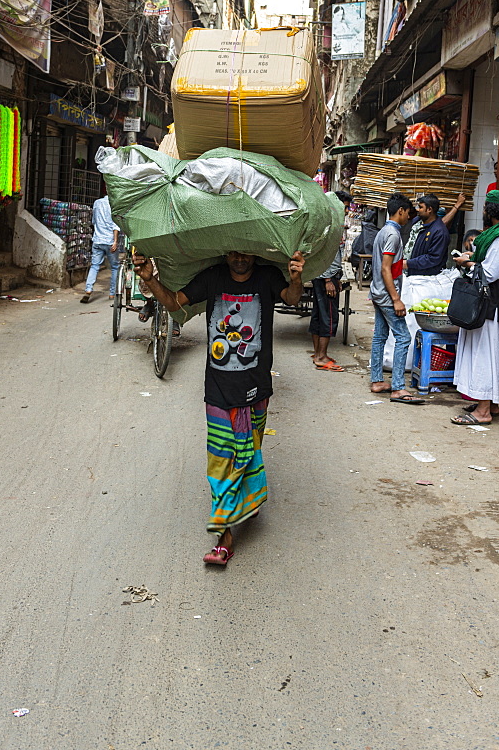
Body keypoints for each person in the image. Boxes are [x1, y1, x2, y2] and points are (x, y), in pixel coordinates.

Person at [132, 248, 306, 566]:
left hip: (256, 391)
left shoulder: (267, 277)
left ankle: (247, 501)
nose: (241, 258)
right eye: (234, 253)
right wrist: (151, 280)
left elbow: (292, 298)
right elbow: (173, 304)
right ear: (225, 254)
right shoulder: (212, 278)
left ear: (255, 254)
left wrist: (296, 279)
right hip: (218, 391)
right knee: (220, 461)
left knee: (249, 454)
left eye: (246, 253)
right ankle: (224, 536)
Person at [451, 191, 499, 425]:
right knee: (495, 354)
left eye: (486, 207)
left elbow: (490, 274)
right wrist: (474, 257)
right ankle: (490, 404)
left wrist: (467, 262)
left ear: (492, 211)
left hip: (494, 308)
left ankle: (482, 412)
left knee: (486, 355)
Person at [369, 192, 423, 404]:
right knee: (403, 337)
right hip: (386, 294)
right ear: (400, 211)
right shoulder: (392, 234)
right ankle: (398, 387)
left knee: (380, 336)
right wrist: (396, 299)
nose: (409, 217)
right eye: (408, 213)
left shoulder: (384, 231)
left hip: (378, 292)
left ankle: (377, 381)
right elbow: (385, 268)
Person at [310, 191, 349, 371]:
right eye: (346, 207)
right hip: (325, 277)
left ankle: (318, 353)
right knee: (329, 317)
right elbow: (327, 253)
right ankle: (321, 356)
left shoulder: (328, 222)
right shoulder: (333, 224)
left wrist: (336, 276)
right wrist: (329, 279)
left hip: (322, 275)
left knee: (319, 315)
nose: (348, 211)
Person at [81, 193, 120, 304]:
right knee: (115, 267)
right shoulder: (114, 204)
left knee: (94, 266)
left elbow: (93, 221)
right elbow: (115, 226)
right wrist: (115, 241)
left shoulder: (97, 203)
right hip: (109, 241)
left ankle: (88, 289)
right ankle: (112, 293)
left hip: (97, 240)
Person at [403, 193, 451, 277]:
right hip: (408, 271)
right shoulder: (416, 221)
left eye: (421, 207)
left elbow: (433, 258)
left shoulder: (440, 232)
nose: (417, 209)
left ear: (429, 209)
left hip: (425, 277)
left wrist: (409, 263)